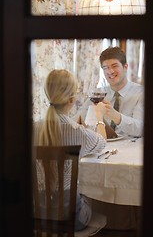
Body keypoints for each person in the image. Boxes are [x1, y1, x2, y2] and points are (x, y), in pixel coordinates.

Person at [33, 69, 107, 231]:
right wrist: (100, 118)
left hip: (35, 215)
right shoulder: (79, 133)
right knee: (90, 195)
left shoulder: (31, 129)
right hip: (72, 220)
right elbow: (103, 143)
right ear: (72, 100)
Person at [75, 46, 144, 137]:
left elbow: (141, 129)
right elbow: (78, 118)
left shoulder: (141, 93)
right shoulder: (98, 93)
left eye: (114, 66)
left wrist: (115, 115)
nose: (110, 71)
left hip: (130, 147)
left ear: (125, 67)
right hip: (101, 146)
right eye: (105, 68)